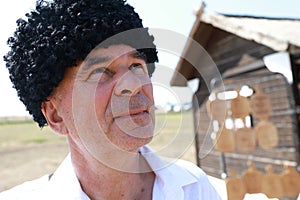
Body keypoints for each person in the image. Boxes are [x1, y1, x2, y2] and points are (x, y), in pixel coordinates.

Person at [0, 0, 222, 199]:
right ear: (55, 115)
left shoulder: (195, 189)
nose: (134, 85)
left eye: (136, 66)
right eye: (100, 71)